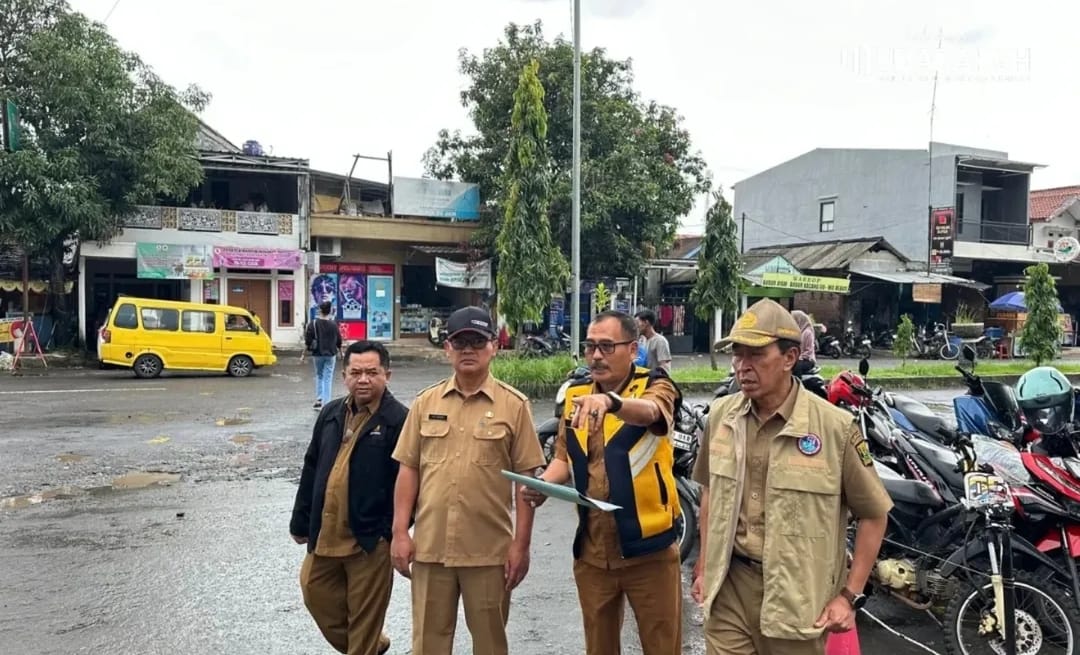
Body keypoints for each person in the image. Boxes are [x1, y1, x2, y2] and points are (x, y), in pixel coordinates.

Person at [690, 298, 892, 655]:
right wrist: (705, 566)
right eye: (737, 355)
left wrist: (849, 595)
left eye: (755, 355)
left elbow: (874, 514)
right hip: (730, 590)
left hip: (797, 598)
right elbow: (710, 494)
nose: (742, 367)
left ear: (789, 358)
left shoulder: (834, 429)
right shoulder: (722, 415)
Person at [523, 310, 684, 655]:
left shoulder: (657, 384)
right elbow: (564, 459)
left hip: (650, 550)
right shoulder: (576, 395)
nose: (596, 355)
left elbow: (653, 412)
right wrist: (542, 485)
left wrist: (611, 402)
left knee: (662, 645)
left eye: (607, 346)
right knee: (598, 646)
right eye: (590, 346)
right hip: (594, 551)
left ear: (634, 348)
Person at [389, 306, 546, 655]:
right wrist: (400, 532)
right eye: (460, 343)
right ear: (447, 349)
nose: (468, 350)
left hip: (489, 553)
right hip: (430, 548)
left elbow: (527, 481)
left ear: (494, 346)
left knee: (490, 646)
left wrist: (521, 545)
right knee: (428, 645)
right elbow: (408, 469)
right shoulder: (424, 402)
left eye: (477, 341)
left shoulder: (514, 406)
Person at [290, 340, 406, 655]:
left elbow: (408, 483)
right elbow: (312, 465)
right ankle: (370, 644)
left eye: (372, 372)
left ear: (387, 375)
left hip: (369, 541)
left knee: (365, 620)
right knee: (314, 592)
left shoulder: (399, 420)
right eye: (356, 372)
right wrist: (300, 522)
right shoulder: (330, 413)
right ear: (345, 376)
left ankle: (365, 644)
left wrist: (391, 532)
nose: (363, 379)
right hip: (325, 534)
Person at [303, 300, 344, 411]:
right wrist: (341, 352)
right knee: (328, 377)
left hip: (317, 353)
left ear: (320, 310)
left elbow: (308, 340)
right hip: (331, 354)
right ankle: (326, 403)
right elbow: (339, 340)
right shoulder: (333, 324)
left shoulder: (313, 324)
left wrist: (303, 354)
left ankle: (319, 399)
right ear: (329, 311)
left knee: (319, 375)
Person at [790, 310, 817, 377]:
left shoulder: (807, 332)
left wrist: (799, 358)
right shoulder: (798, 332)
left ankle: (798, 383)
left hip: (807, 360)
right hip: (799, 358)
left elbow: (808, 351)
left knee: (795, 367)